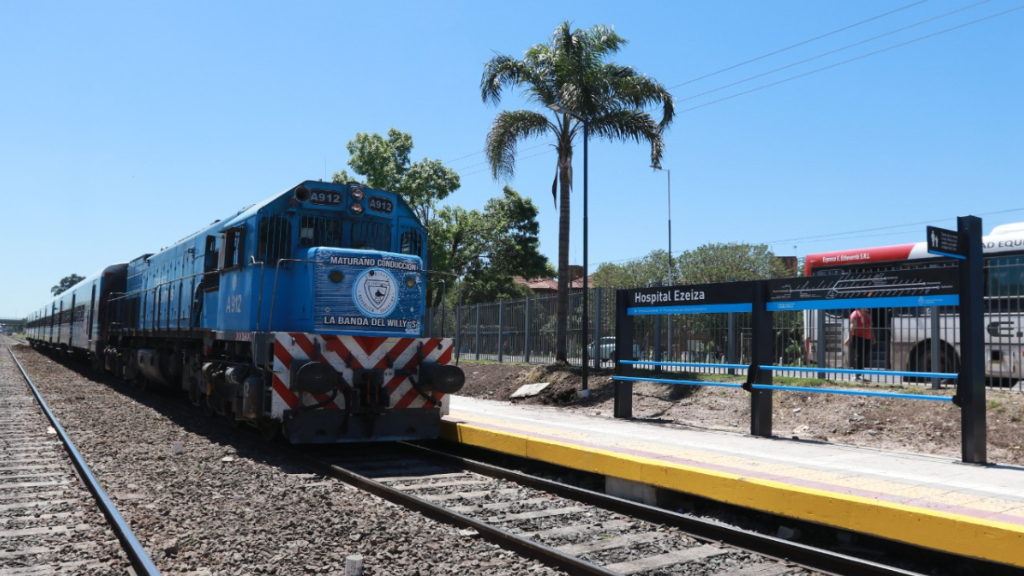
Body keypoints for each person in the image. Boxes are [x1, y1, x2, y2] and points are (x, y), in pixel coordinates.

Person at [848, 307, 874, 380]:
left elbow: (870, 327)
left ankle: (859, 373)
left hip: (867, 338)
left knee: (863, 356)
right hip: (858, 337)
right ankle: (857, 374)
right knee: (859, 356)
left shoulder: (867, 314)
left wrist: (873, 337)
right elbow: (852, 327)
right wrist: (849, 339)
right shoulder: (855, 314)